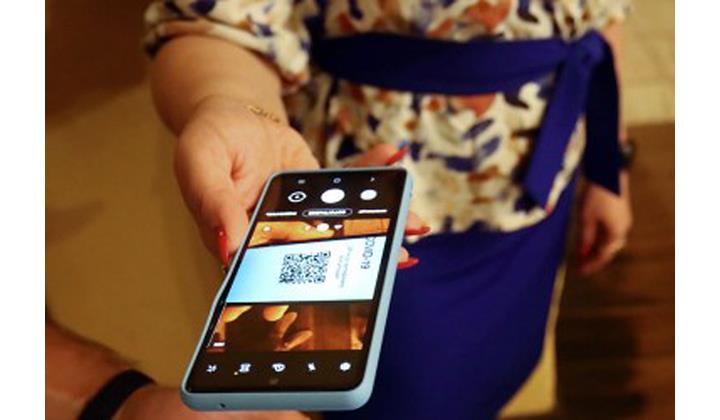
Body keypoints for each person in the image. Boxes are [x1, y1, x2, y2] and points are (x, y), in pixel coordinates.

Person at [144, 1, 633, 419]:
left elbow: (603, 19)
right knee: (400, 396)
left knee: (501, 368)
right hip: (374, 201)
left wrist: (611, 165)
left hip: (535, 192)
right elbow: (220, 20)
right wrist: (232, 104)